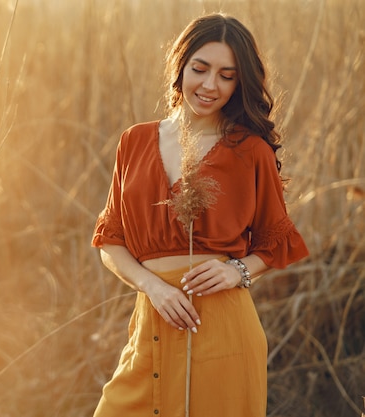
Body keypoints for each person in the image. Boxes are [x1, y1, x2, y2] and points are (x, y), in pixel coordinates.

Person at [91, 13, 308, 417]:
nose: (210, 85)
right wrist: (153, 287)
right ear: (180, 65)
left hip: (224, 332)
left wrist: (237, 271)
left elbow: (277, 241)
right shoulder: (134, 141)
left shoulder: (251, 150)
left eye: (227, 75)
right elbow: (110, 241)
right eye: (201, 69)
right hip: (152, 322)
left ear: (239, 83)